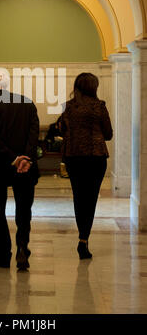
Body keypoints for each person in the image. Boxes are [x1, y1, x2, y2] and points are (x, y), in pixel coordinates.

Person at [0, 71, 40, 270]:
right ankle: (22, 248)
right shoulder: (27, 104)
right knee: (24, 211)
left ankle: (3, 255)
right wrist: (26, 159)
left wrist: (13, 158)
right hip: (25, 167)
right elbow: (33, 135)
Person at [60, 72, 113, 259]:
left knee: (78, 197)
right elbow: (108, 134)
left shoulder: (68, 107)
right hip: (95, 157)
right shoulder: (99, 106)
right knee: (91, 199)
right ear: (94, 87)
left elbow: (62, 130)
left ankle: (82, 236)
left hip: (74, 157)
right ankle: (83, 239)